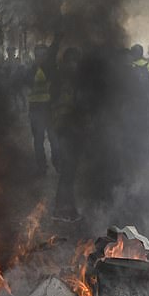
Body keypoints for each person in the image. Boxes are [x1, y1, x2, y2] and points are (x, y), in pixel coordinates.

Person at [51, 48, 83, 222]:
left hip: (72, 130)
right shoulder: (61, 80)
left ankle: (68, 207)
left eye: (76, 61)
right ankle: (61, 209)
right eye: (72, 61)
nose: (75, 64)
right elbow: (60, 107)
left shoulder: (73, 81)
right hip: (64, 130)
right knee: (67, 171)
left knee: (71, 171)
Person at [26, 42, 60, 174]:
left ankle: (57, 162)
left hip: (49, 110)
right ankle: (42, 166)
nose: (41, 57)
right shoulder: (30, 70)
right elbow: (26, 82)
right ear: (35, 56)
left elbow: (57, 86)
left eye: (43, 55)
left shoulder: (51, 70)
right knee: (39, 141)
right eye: (38, 55)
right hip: (35, 110)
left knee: (54, 139)